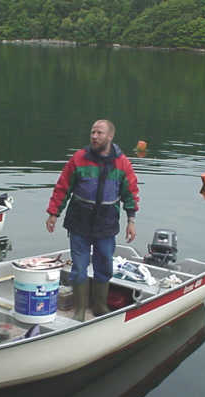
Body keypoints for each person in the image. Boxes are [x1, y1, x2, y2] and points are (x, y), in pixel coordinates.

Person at [45, 119, 139, 321]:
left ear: (110, 136)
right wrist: (54, 213)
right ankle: (79, 311)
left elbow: (130, 192)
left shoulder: (122, 163)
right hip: (80, 219)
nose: (94, 136)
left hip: (106, 222)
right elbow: (63, 187)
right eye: (92, 132)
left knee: (104, 263)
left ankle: (100, 306)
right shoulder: (79, 158)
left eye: (99, 133)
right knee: (79, 267)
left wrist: (131, 220)